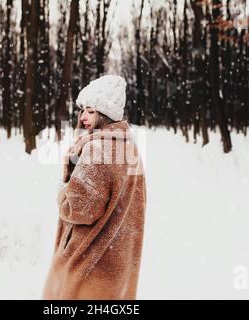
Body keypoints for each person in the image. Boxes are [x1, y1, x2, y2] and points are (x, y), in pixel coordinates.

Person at [43, 74, 147, 300]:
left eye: (91, 111)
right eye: (83, 110)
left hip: (89, 269)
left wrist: (63, 190)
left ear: (106, 113)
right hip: (115, 264)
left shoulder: (98, 149)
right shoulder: (128, 146)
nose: (83, 117)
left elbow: (77, 208)